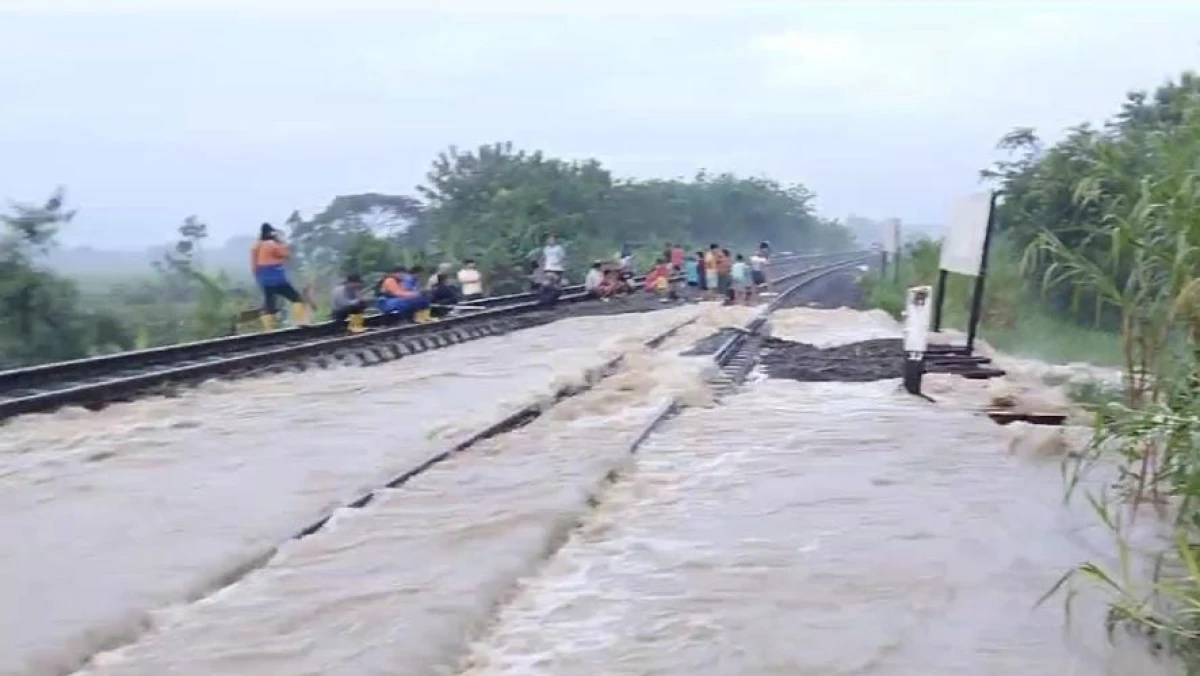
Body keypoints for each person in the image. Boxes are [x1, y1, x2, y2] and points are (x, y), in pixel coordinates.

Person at [251, 223, 306, 331]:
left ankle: (268, 330)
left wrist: (258, 278)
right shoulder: (272, 244)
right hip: (278, 279)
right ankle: (300, 323)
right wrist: (281, 241)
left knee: (269, 304)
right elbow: (285, 254)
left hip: (264, 279)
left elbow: (254, 266)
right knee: (296, 298)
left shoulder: (255, 246)